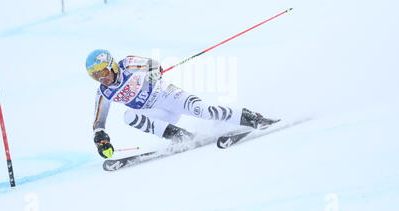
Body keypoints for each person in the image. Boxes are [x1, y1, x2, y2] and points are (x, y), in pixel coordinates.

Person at [86, 49, 279, 159]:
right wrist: (101, 139)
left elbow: (152, 63)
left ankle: (252, 118)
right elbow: (98, 123)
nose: (101, 78)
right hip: (157, 113)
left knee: (202, 111)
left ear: (111, 65)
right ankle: (181, 137)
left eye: (102, 72)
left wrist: (154, 71)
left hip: (168, 96)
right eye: (95, 75)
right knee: (128, 117)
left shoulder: (126, 64)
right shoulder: (104, 93)